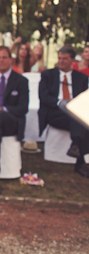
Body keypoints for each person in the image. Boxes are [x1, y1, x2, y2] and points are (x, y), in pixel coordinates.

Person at [39, 45, 89, 178]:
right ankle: (80, 161)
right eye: (59, 58)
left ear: (73, 60)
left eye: (65, 59)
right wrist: (61, 103)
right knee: (78, 118)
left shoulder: (82, 78)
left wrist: (72, 105)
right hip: (54, 111)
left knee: (79, 117)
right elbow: (43, 97)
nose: (60, 61)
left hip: (73, 112)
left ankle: (76, 146)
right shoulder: (48, 75)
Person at [0, 46, 29, 194]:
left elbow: (23, 108)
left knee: (0, 117)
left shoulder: (21, 81)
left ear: (11, 59)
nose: (1, 60)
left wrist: (0, 110)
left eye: (4, 57)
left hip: (12, 121)